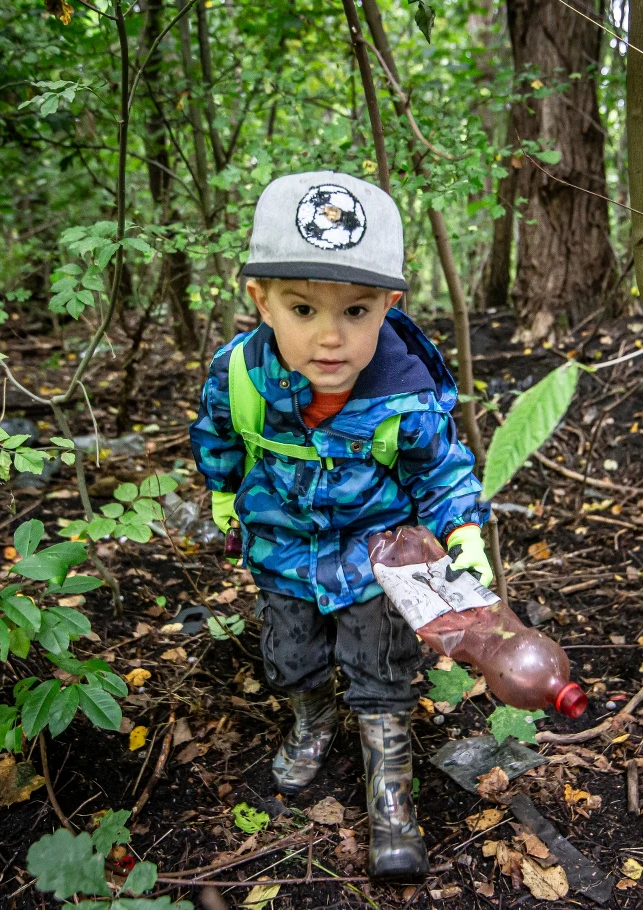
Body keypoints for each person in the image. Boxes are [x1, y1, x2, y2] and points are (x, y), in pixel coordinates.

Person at [190, 171, 491, 882]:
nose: (331, 337)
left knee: (382, 670)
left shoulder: (405, 395)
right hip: (284, 550)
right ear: (261, 301)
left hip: (373, 557)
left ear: (389, 304)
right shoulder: (239, 376)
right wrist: (225, 495)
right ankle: (312, 719)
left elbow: (441, 469)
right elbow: (220, 437)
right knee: (288, 657)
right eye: (302, 308)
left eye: (357, 311)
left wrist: (463, 532)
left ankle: (390, 791)